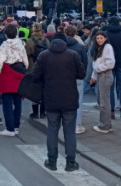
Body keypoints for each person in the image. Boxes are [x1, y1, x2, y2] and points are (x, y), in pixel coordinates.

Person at [30, 36, 85, 172]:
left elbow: (35, 75)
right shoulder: (73, 55)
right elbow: (82, 74)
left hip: (51, 98)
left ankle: (52, 161)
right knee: (70, 132)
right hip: (70, 98)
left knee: (52, 131)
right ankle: (70, 162)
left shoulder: (44, 55)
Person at [0, 24, 28, 137]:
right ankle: (16, 126)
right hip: (19, 72)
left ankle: (9, 128)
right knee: (18, 102)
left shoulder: (4, 45)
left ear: (6, 34)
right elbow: (25, 60)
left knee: (7, 102)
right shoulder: (21, 44)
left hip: (7, 73)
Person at [89, 31, 115, 133]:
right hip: (101, 75)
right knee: (102, 101)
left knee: (104, 102)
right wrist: (94, 76)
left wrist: (98, 69)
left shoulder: (107, 47)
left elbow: (110, 62)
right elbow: (97, 63)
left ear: (105, 38)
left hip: (105, 75)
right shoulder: (100, 48)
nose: (99, 40)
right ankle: (106, 124)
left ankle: (105, 126)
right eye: (97, 38)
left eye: (101, 38)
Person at [26, 22, 50, 119]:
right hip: (45, 69)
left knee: (34, 91)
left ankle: (35, 113)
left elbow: (27, 54)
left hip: (33, 68)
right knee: (44, 90)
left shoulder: (30, 41)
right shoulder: (46, 41)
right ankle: (43, 112)